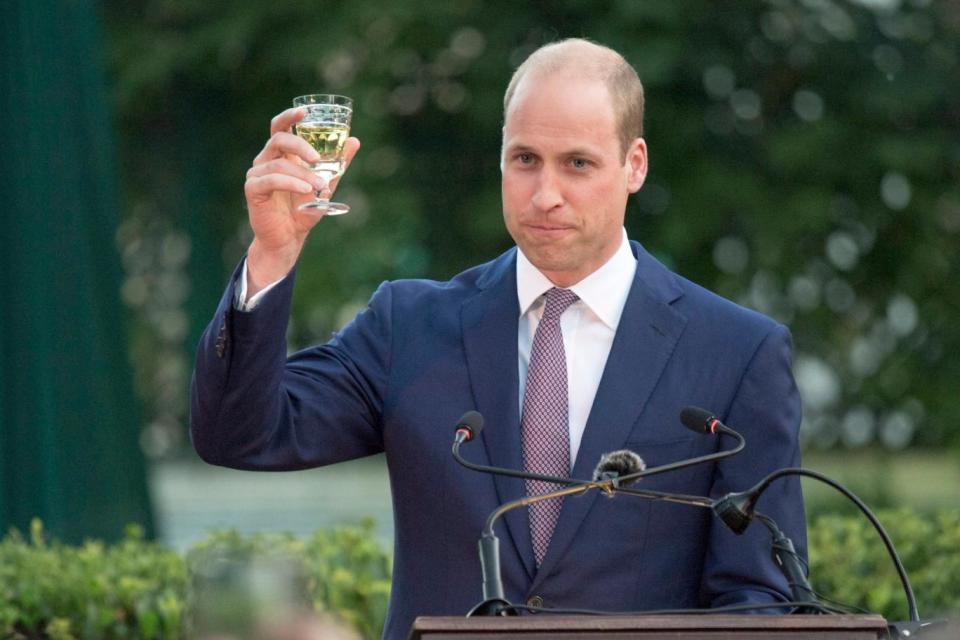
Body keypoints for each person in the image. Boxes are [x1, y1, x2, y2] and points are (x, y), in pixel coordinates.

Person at [191, 38, 806, 640]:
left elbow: (759, 599)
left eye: (578, 163)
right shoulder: (408, 325)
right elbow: (241, 434)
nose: (546, 195)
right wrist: (273, 253)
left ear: (635, 164)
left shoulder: (736, 353)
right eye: (525, 159)